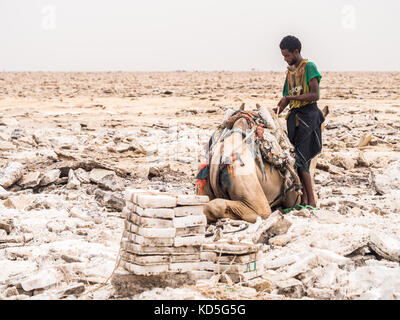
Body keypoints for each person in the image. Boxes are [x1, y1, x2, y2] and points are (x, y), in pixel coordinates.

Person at [273, 35, 325, 210]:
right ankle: (302, 201)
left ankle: (311, 202)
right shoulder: (290, 72)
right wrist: (277, 110)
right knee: (295, 160)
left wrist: (291, 97)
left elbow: (314, 94)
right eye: (283, 56)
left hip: (309, 116)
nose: (286, 59)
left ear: (296, 52)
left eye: (287, 55)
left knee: (302, 160)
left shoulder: (309, 67)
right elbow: (286, 98)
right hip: (294, 117)